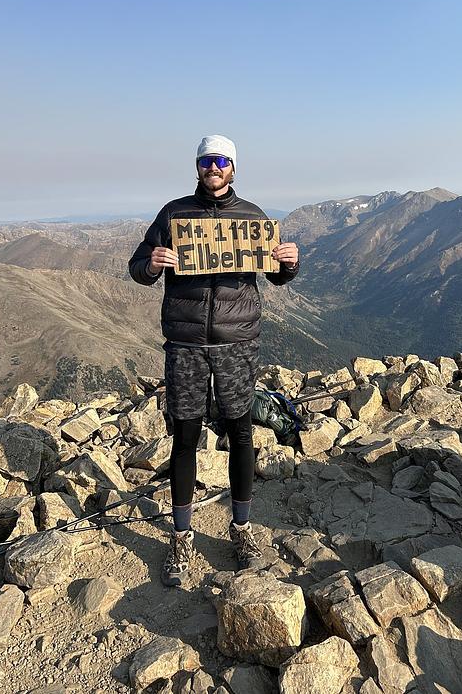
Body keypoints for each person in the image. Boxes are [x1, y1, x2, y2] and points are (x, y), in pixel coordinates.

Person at [128, 134, 299, 586]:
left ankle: (240, 529)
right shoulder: (173, 213)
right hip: (185, 342)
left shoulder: (252, 217)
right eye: (207, 160)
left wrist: (289, 262)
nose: (214, 167)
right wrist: (152, 262)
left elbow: (277, 276)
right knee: (184, 436)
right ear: (198, 166)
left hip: (236, 342)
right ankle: (181, 537)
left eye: (222, 160)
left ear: (234, 167)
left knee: (241, 432)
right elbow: (138, 266)